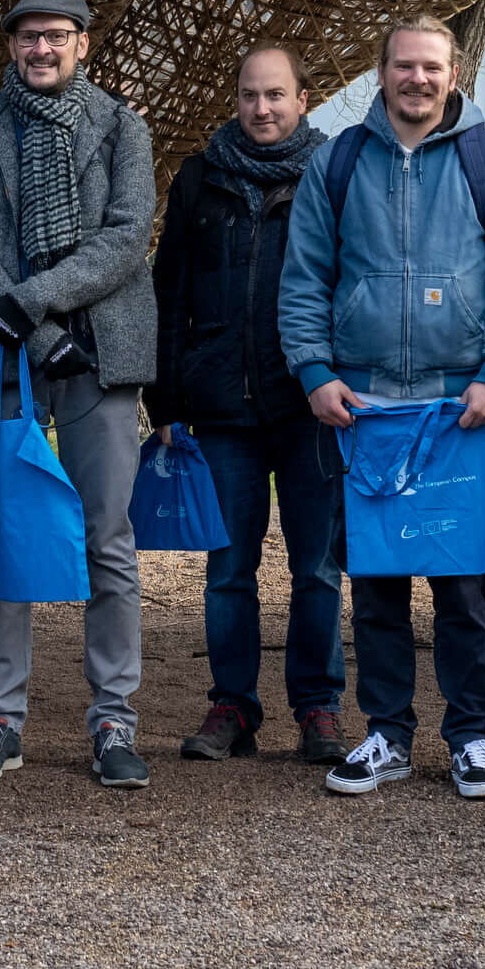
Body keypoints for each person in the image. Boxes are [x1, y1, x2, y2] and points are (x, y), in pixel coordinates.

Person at [280, 14, 485, 803]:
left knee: (463, 585)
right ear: (382, 72)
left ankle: (471, 737)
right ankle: (387, 734)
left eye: (432, 67)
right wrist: (315, 372)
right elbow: (304, 279)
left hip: (457, 407)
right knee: (377, 583)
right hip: (365, 408)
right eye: (404, 65)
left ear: (453, 73)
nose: (418, 79)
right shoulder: (338, 163)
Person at [0, 0, 163, 790]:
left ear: (82, 45)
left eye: (57, 37)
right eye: (29, 37)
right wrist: (33, 333)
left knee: (109, 539)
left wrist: (34, 301)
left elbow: (126, 237)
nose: (42, 49)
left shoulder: (121, 127)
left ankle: (114, 720)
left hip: (101, 351)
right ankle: (0, 718)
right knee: (10, 531)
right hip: (2, 357)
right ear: (12, 46)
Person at [148, 43, 346, 766]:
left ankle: (318, 708)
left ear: (303, 99)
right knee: (228, 568)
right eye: (249, 95)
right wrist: (165, 398)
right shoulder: (199, 178)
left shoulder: (333, 174)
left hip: (309, 404)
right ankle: (232, 704)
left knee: (316, 567)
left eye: (275, 95)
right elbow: (169, 291)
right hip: (220, 405)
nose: (262, 109)